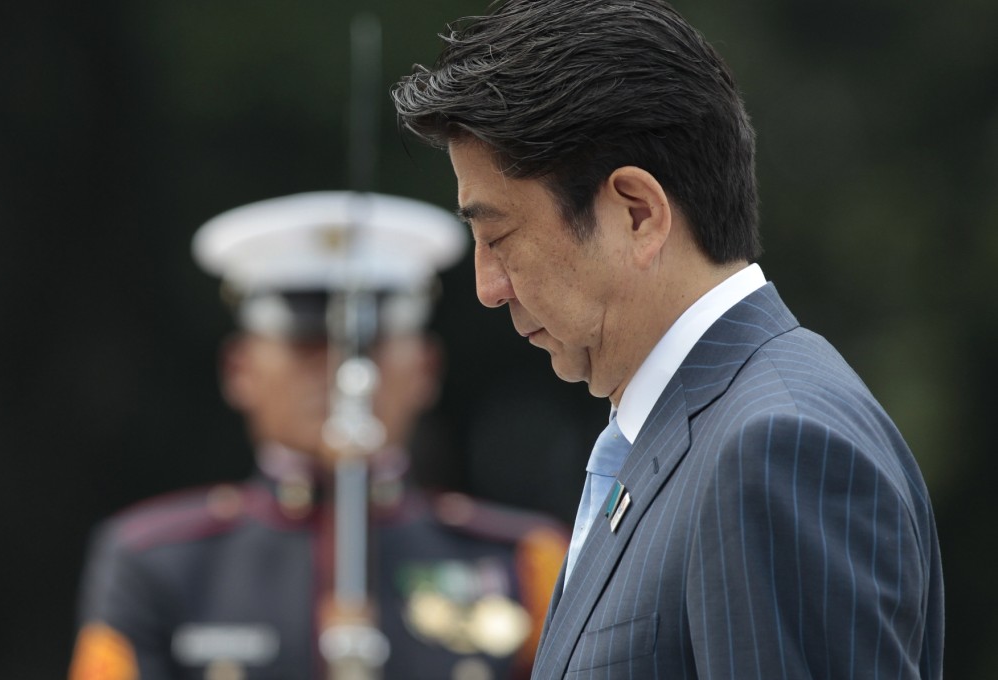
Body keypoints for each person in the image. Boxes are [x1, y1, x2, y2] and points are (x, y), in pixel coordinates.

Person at [391, 1, 944, 678]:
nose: (488, 286)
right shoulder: (699, 437)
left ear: (636, 213)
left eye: (499, 236)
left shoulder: (774, 448)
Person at [69, 191, 569, 680]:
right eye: (306, 344)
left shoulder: (523, 562)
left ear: (425, 368)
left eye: (370, 343)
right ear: (239, 370)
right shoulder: (160, 563)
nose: (342, 367)